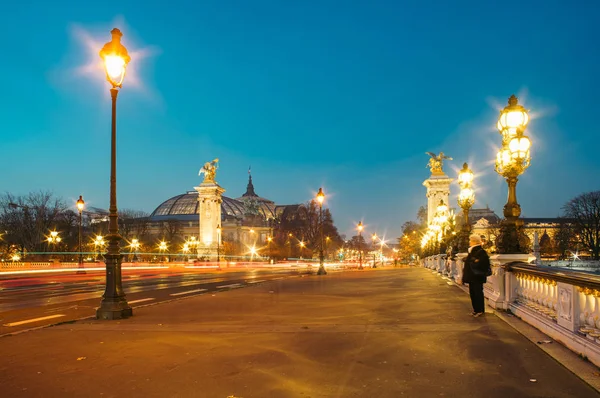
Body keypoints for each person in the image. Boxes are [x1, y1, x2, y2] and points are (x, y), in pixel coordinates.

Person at [462, 234, 491, 318]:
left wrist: (473, 261)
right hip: (472, 276)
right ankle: (476, 310)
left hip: (477, 276)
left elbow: (484, 263)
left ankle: (480, 310)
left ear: (475, 241)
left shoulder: (480, 251)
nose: (469, 242)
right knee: (473, 293)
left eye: (470, 240)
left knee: (477, 293)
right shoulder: (472, 251)